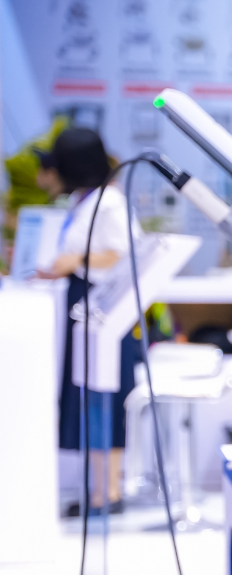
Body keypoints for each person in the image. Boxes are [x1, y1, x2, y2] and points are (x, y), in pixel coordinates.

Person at [34, 127, 140, 514]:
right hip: (85, 305)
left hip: (105, 310)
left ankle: (108, 492)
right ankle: (99, 491)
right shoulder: (85, 201)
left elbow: (127, 253)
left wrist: (76, 261)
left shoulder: (109, 204)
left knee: (104, 394)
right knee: (87, 395)